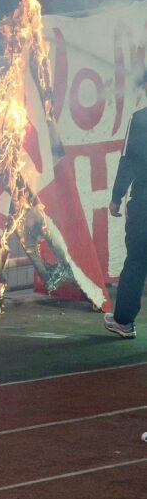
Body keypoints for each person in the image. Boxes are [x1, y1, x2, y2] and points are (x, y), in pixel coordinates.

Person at [107, 77, 147, 340]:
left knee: (137, 260)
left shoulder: (141, 119)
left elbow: (128, 161)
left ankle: (123, 321)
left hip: (145, 206)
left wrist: (116, 197)